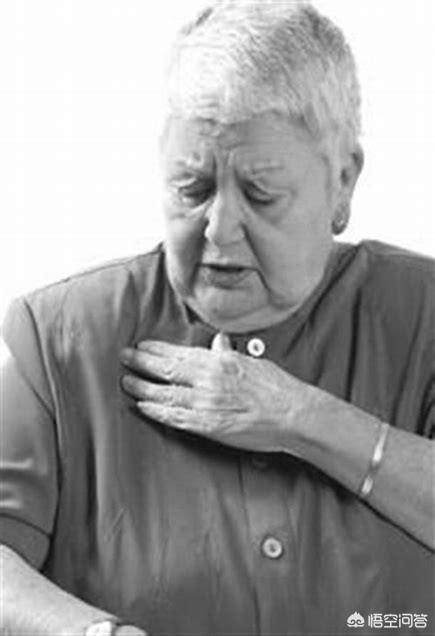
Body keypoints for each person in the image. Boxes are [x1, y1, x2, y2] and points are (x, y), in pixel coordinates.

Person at [1, 1, 434, 635]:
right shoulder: (61, 338)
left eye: (261, 194)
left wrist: (302, 417)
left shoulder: (423, 315)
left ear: (342, 181)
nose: (219, 228)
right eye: (192, 188)